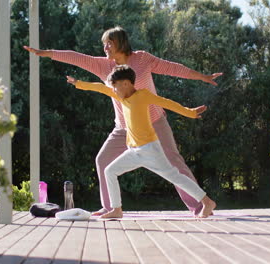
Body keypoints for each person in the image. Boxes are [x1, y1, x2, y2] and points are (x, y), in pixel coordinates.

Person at [24, 26, 222, 216]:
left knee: (175, 163)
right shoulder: (103, 65)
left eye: (110, 43)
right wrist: (46, 52)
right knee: (103, 160)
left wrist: (202, 77)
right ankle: (110, 208)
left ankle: (200, 206)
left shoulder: (142, 59)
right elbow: (76, 57)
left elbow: (172, 68)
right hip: (124, 128)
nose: (105, 47)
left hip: (155, 123)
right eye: (104, 44)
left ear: (121, 43)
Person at [66, 65, 216, 218]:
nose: (113, 90)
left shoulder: (143, 95)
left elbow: (167, 103)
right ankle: (116, 210)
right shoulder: (120, 96)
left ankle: (207, 201)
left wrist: (190, 113)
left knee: (175, 177)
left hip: (150, 149)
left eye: (115, 86)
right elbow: (99, 88)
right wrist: (78, 83)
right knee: (109, 171)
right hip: (134, 151)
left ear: (126, 83)